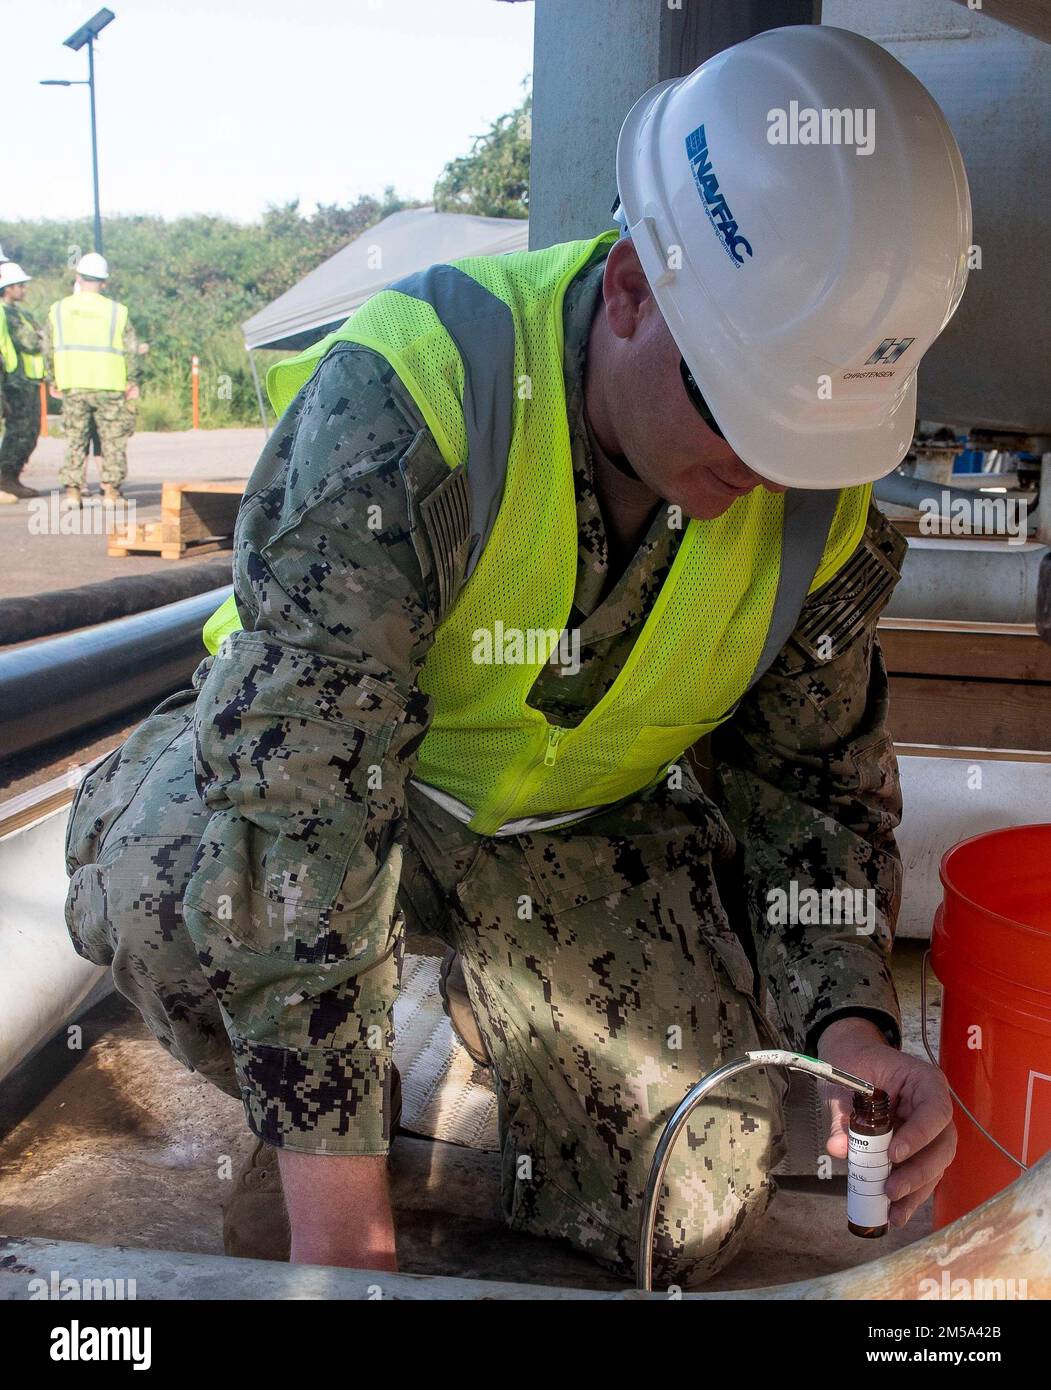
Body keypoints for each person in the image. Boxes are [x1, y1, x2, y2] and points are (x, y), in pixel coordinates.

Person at [64, 26, 971, 1287]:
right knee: (188, 904)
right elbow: (302, 814)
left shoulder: (820, 502)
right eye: (735, 407)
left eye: (805, 436)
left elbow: (810, 791)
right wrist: (343, 1250)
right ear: (632, 287)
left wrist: (852, 1025)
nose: (765, 472)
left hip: (570, 833)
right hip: (337, 799)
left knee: (697, 1195)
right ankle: (320, 1129)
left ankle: (466, 1079)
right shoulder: (412, 398)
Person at [42, 252, 140, 507]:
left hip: (73, 383)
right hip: (110, 383)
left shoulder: (59, 309)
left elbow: (47, 347)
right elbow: (131, 349)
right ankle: (111, 493)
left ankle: (73, 493)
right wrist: (133, 382)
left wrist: (52, 378)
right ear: (104, 282)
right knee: (112, 441)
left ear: (78, 277)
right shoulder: (117, 311)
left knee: (75, 439)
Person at [0, 262, 46, 502]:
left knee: (30, 431)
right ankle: (6, 477)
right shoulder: (5, 314)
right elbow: (32, 341)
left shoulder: (22, 314)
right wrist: (40, 337)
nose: (24, 290)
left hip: (29, 380)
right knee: (18, 432)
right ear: (8, 288)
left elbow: (42, 336)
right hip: (14, 383)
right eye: (20, 286)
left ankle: (12, 477)